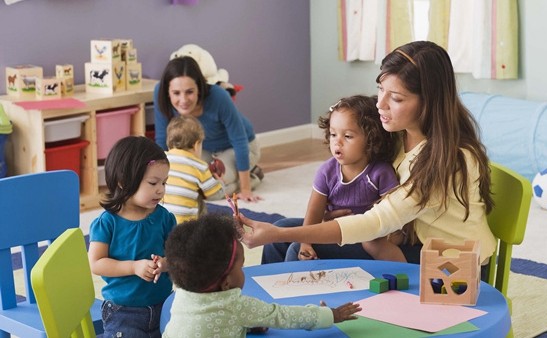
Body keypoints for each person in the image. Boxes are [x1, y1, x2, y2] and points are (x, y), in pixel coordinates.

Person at [241, 41, 497, 278]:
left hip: (448, 266)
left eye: (396, 98)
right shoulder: (398, 136)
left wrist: (281, 233)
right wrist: (294, 228)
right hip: (408, 240)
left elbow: (375, 222)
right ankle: (266, 311)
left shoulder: (447, 160)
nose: (381, 104)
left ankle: (297, 318)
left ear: (428, 103)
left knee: (295, 243)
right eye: (380, 90)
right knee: (281, 236)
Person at [163, 214, 361, 337]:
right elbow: (283, 316)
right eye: (240, 267)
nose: (243, 271)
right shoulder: (236, 306)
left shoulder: (182, 293)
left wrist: (248, 325)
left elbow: (211, 322)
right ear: (226, 283)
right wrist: (330, 315)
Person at [261, 95, 404, 264]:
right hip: (332, 227)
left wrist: (391, 239)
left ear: (372, 139)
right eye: (333, 134)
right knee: (280, 228)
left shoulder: (380, 173)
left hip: (363, 237)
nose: (338, 142)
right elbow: (314, 213)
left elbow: (396, 217)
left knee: (294, 249)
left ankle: (289, 289)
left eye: (348, 136)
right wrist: (305, 242)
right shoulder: (327, 171)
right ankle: (265, 285)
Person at [88, 136, 176, 337]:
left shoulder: (164, 218)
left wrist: (165, 263)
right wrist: (133, 267)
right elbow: (96, 263)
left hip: (165, 305)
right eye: (153, 182)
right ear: (124, 182)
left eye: (164, 182)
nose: (161, 190)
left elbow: (179, 256)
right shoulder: (107, 222)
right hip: (124, 312)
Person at [154, 55, 263, 202]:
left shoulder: (218, 96)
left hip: (239, 147)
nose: (183, 100)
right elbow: (162, 140)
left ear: (199, 87)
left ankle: (253, 176)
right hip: (202, 149)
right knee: (189, 184)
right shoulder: (159, 93)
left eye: (189, 92)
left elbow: (239, 140)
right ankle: (240, 174)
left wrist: (245, 189)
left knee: (211, 190)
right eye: (176, 93)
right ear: (168, 91)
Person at [163, 115, 225, 223]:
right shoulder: (199, 166)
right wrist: (220, 182)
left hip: (161, 224)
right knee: (199, 200)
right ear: (197, 145)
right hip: (186, 228)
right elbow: (216, 195)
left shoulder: (162, 159)